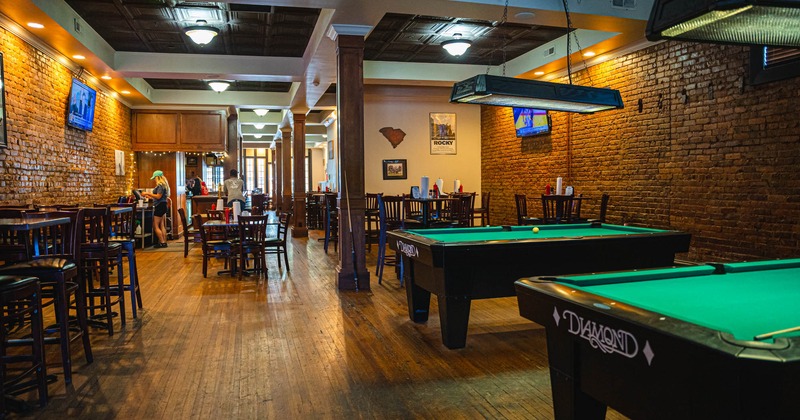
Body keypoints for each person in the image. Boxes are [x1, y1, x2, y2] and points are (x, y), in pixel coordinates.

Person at [141, 170, 170, 248]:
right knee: (162, 225)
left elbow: (158, 196)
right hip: (163, 205)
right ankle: (164, 242)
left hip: (160, 206)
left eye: (154, 178)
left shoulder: (160, 186)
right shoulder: (165, 185)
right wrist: (150, 197)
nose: (154, 180)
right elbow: (158, 197)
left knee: (155, 225)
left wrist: (147, 193)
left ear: (158, 177)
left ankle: (162, 242)